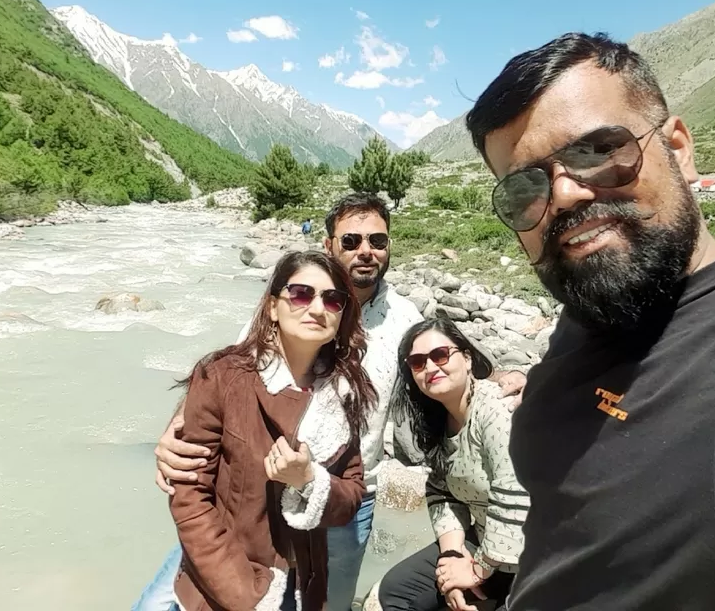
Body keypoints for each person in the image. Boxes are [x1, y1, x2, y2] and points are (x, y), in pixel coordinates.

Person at [464, 31, 715, 610]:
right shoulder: (600, 306)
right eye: (525, 187)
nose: (566, 194)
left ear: (678, 149)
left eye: (597, 150)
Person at [137, 192, 530, 611]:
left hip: (349, 499)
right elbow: (227, 375)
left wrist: (516, 379)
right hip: (251, 496)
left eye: (377, 241)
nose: (366, 251)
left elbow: (451, 367)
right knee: (200, 591)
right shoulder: (284, 309)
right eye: (352, 240)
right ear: (329, 245)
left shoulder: (405, 321)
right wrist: (178, 427)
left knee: (327, 603)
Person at [169, 250, 376, 611]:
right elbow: (189, 495)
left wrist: (309, 480)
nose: (317, 308)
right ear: (272, 307)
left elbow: (352, 494)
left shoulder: (344, 391)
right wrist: (245, 594)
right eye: (301, 294)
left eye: (332, 299)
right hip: (226, 583)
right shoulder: (223, 377)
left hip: (305, 583)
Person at [377, 319, 528, 611]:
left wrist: (477, 570)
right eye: (418, 362)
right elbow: (441, 492)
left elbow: (514, 495)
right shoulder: (438, 421)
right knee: (399, 592)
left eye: (440, 355)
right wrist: (452, 558)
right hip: (486, 543)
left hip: (536, 552)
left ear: (467, 359)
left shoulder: (497, 410)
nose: (430, 367)